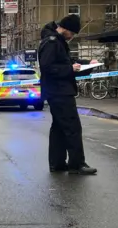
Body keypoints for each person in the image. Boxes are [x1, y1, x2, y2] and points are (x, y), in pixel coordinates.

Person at [38, 14, 98, 175]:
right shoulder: (52, 42)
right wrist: (69, 69)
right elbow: (47, 67)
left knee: (58, 128)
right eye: (72, 33)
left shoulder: (56, 41)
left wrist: (87, 64)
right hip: (60, 92)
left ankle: (57, 164)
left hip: (56, 91)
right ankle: (77, 164)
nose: (72, 37)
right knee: (72, 127)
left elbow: (66, 62)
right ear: (65, 29)